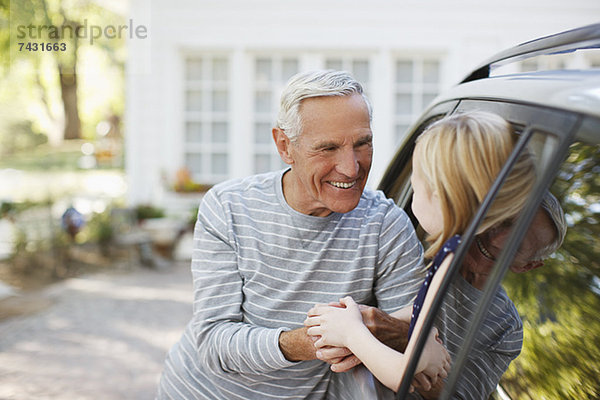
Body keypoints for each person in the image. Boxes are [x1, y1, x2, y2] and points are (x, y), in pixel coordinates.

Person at [156, 70, 428, 399]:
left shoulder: (385, 225)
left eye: (362, 144)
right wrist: (312, 340)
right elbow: (213, 343)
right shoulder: (228, 207)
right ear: (285, 146)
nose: (351, 168)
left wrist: (383, 331)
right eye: (327, 148)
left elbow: (413, 342)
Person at [303, 111, 539, 394]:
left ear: (442, 193)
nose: (413, 185)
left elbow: (402, 375)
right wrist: (414, 335)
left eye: (419, 178)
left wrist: (351, 332)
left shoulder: (451, 261)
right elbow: (422, 312)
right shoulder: (450, 254)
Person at [312, 194, 566, 397]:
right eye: (505, 221)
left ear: (526, 266)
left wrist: (408, 343)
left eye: (518, 240)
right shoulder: (414, 248)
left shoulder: (506, 328)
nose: (497, 239)